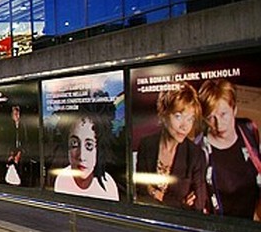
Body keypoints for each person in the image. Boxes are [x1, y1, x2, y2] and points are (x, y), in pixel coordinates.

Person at [134, 83, 207, 211]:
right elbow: (139, 190)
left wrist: (156, 194)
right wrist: (181, 203)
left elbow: (198, 206)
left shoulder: (195, 154)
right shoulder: (147, 144)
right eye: (178, 116)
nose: (185, 126)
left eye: (190, 119)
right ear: (164, 115)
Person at [197, 78, 261, 220]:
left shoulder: (249, 129)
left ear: (234, 109)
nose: (219, 124)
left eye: (223, 114)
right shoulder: (199, 151)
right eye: (211, 117)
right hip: (222, 231)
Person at [53, 104, 120, 200]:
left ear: (98, 149)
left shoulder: (108, 187)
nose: (81, 156)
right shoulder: (61, 179)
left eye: (89, 145)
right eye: (74, 144)